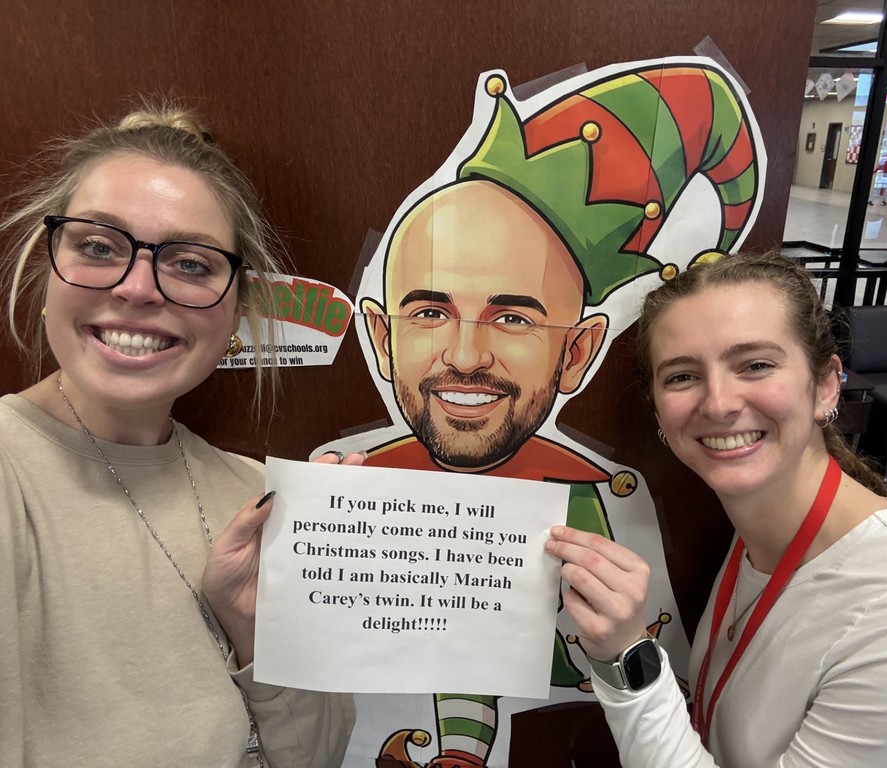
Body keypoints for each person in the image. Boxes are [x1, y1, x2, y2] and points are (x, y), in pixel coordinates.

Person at [337, 63, 765, 768]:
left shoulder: (599, 504)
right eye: (430, 312)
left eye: (514, 317)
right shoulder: (343, 500)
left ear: (578, 352)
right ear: (381, 337)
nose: (466, 356)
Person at [546, 251, 887, 767]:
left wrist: (627, 656)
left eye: (756, 365)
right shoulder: (757, 537)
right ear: (658, 410)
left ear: (826, 385)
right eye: (682, 376)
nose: (719, 403)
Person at [0, 104, 356, 767]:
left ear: (237, 308)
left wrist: (255, 632)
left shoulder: (257, 499)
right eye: (98, 247)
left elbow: (315, 757)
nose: (138, 289)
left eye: (190, 264)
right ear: (48, 267)